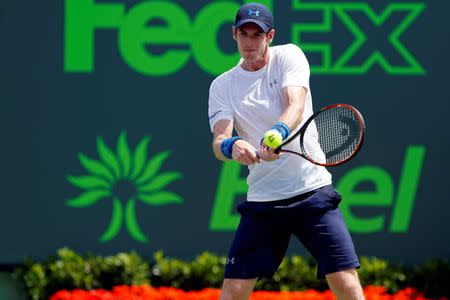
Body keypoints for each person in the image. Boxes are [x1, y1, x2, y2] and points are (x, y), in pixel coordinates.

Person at [207, 2, 365, 300]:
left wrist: (276, 134)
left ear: (270, 36)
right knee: (233, 291)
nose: (250, 42)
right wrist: (232, 145)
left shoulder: (289, 56)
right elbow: (218, 142)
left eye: (258, 35)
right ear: (234, 34)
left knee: (345, 280)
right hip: (264, 201)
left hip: (312, 190)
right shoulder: (222, 86)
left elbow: (294, 105)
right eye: (244, 34)